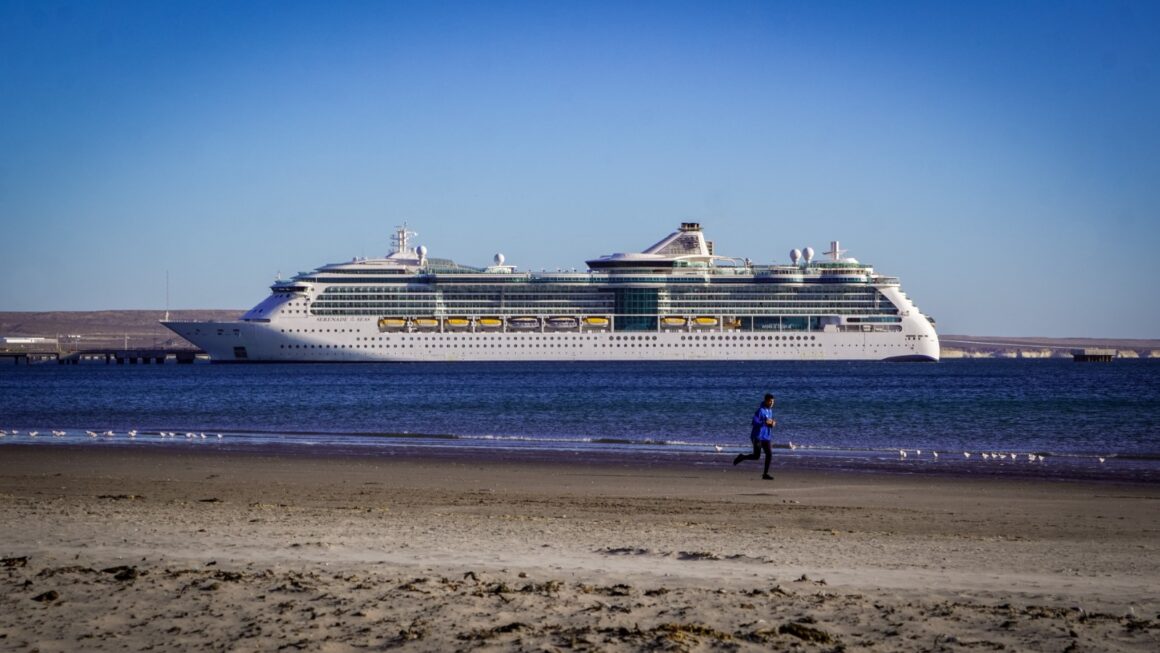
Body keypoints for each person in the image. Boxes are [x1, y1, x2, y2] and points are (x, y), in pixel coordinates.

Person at [734, 393, 776, 479]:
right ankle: (742, 457)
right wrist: (765, 422)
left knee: (769, 454)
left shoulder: (770, 411)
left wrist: (772, 424)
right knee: (756, 456)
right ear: (766, 401)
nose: (772, 403)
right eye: (770, 401)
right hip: (757, 437)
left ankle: (765, 474)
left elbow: (768, 423)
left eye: (773, 402)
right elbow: (754, 422)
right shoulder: (760, 411)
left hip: (766, 437)